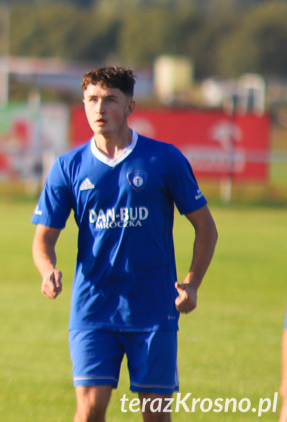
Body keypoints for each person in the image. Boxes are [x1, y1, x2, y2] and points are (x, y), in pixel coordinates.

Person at [31, 65, 218, 422]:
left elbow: (206, 227)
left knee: (156, 416)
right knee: (88, 412)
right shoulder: (68, 167)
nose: (99, 109)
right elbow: (44, 238)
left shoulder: (163, 159)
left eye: (110, 100)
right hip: (93, 309)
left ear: (130, 107)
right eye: (91, 100)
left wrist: (192, 283)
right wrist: (47, 269)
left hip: (153, 308)